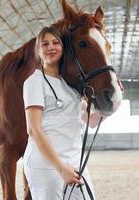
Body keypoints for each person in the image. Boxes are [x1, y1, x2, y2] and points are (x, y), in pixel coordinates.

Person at [23, 27, 102, 200]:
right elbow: (33, 130)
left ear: (63, 48)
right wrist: (60, 168)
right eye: (45, 44)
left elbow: (92, 121)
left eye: (55, 42)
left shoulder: (71, 85)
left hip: (75, 163)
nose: (51, 47)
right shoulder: (34, 82)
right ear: (38, 51)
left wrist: (111, 104)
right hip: (47, 165)